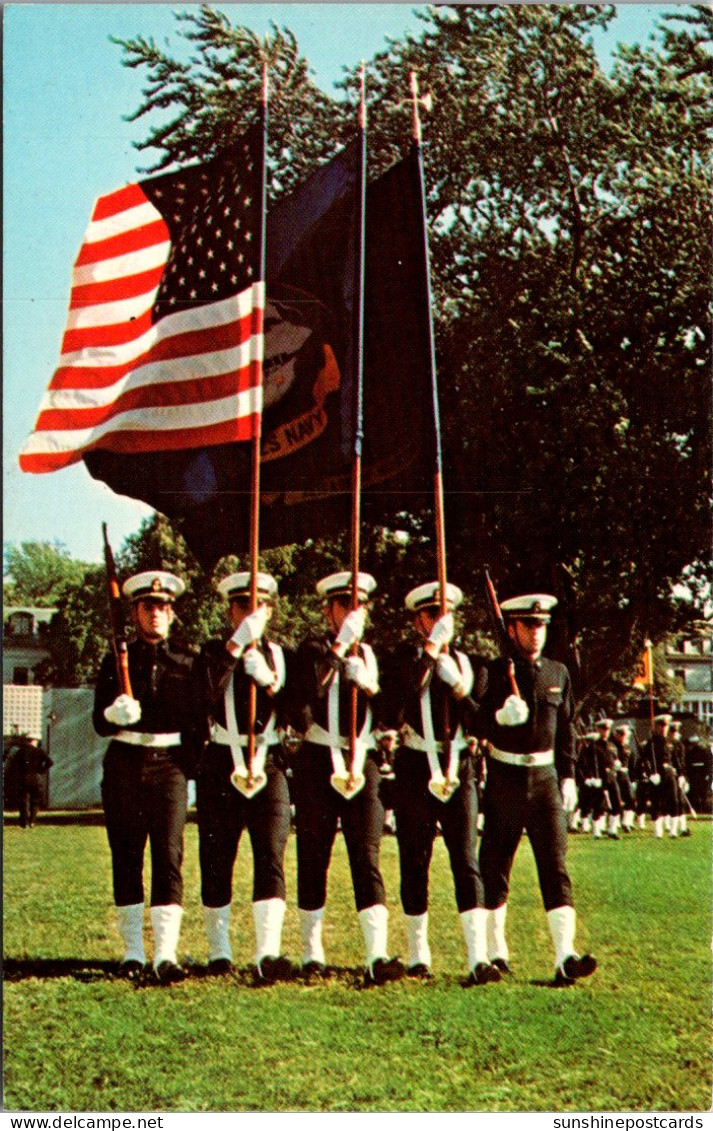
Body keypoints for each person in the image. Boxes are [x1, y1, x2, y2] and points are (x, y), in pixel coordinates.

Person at [380, 581, 500, 985]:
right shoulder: (403, 659)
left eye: (445, 616)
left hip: (459, 764)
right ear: (418, 621)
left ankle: (477, 957)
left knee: (466, 861)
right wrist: (431, 655)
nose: (439, 622)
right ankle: (418, 954)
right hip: (416, 764)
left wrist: (461, 689)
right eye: (431, 616)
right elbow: (394, 710)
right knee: (416, 860)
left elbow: (482, 720)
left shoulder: (473, 664)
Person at [474, 591, 597, 985]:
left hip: (544, 781)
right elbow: (474, 723)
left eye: (542, 625)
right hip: (504, 778)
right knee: (496, 867)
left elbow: (566, 730)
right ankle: (495, 950)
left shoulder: (557, 672)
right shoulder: (493, 672)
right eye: (529, 626)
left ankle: (565, 955)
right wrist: (497, 717)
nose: (537, 633)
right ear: (512, 628)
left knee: (555, 866)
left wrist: (568, 775)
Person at [287, 570, 403, 985]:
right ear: (328, 609)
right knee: (314, 855)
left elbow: (393, 714)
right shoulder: (312, 649)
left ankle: (376, 953)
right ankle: (311, 951)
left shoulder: (375, 656)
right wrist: (337, 650)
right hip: (319, 758)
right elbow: (305, 696)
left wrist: (370, 686)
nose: (353, 613)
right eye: (344, 605)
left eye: (360, 606)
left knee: (367, 855)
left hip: (363, 760)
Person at [93, 570, 199, 984]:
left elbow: (196, 723)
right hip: (124, 763)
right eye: (148, 607)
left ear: (172, 614)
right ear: (135, 612)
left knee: (169, 857)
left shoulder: (188, 661)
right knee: (127, 855)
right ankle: (134, 952)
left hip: (169, 764)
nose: (156, 613)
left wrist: (188, 768)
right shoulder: (114, 659)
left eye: (162, 607)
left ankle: (166, 954)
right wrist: (112, 714)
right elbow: (98, 723)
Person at [193, 571, 292, 982]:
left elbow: (300, 713)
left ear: (269, 610)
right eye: (242, 606)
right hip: (221, 761)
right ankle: (219, 950)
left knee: (271, 854)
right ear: (230, 609)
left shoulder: (281, 656)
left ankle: (267, 952)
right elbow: (201, 696)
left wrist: (269, 683)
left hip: (267, 761)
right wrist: (235, 648)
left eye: (259, 606)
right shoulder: (212, 652)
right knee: (217, 858)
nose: (251, 613)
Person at [639, 714, 674, 839]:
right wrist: (650, 774)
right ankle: (658, 830)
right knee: (656, 802)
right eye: (662, 725)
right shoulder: (651, 743)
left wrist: (680, 775)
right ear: (657, 726)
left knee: (673, 800)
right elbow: (644, 761)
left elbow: (675, 760)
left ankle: (673, 829)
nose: (664, 728)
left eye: (666, 725)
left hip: (669, 774)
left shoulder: (670, 741)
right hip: (656, 775)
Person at [10, 734, 53, 828]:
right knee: (35, 801)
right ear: (35, 741)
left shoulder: (20, 752)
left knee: (24, 801)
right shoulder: (39, 751)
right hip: (36, 778)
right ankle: (32, 821)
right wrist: (41, 770)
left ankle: (24, 822)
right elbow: (50, 762)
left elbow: (14, 765)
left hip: (23, 779)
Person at [611, 723, 636, 832]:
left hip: (625, 776)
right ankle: (613, 824)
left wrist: (633, 778)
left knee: (630, 799)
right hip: (614, 775)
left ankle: (626, 822)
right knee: (615, 800)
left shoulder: (628, 748)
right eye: (624, 735)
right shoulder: (611, 746)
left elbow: (632, 764)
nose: (626, 738)